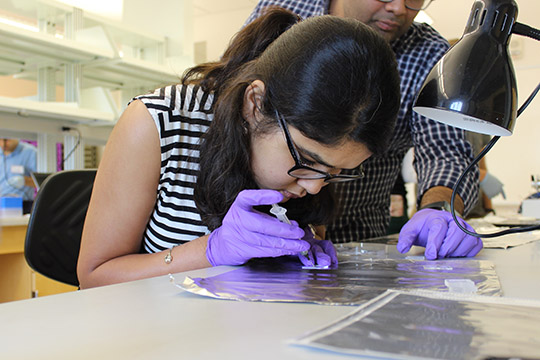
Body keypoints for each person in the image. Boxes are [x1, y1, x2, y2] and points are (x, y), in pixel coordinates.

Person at [77, 8, 401, 288]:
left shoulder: (309, 166)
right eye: (306, 159)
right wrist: (210, 251)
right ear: (254, 104)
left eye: (335, 172)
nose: (315, 186)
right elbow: (93, 276)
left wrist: (301, 252)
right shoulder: (159, 121)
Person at [246, 0, 483, 260]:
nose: (399, 9)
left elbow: (445, 150)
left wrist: (440, 208)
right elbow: (234, 119)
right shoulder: (284, 11)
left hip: (362, 238)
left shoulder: (428, 54)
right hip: (261, 236)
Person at [0, 138, 37, 214]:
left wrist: (24, 181)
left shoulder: (31, 152)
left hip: (22, 205)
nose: (3, 144)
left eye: (7, 140)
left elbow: (43, 181)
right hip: (1, 203)